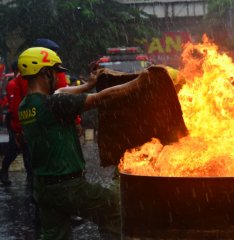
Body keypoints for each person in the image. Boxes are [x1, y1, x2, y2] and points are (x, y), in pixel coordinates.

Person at [17, 46, 147, 239]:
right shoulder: (54, 104)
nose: (58, 77)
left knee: (54, 235)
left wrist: (88, 85)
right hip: (68, 187)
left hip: (44, 189)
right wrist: (139, 82)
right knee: (112, 208)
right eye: (55, 72)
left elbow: (61, 91)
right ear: (45, 72)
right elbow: (101, 98)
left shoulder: (26, 105)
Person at [0, 61, 32, 185]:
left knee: (27, 149)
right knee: (15, 148)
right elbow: (15, 108)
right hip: (15, 121)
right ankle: (4, 170)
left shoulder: (24, 81)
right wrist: (18, 128)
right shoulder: (13, 84)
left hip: (24, 120)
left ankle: (30, 176)